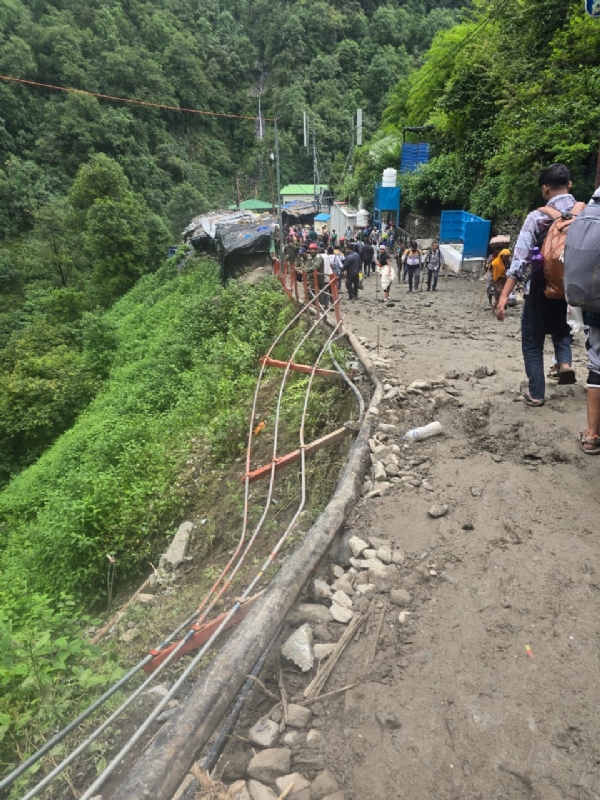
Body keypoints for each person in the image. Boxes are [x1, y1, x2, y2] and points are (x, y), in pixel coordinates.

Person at [495, 163, 578, 406]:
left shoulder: (537, 217)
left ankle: (536, 395)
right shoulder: (586, 214)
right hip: (574, 290)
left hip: (541, 289)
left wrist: (503, 297)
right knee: (562, 330)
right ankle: (564, 363)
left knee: (532, 341)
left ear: (545, 189)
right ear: (569, 185)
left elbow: (519, 261)